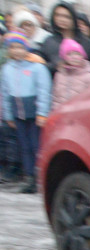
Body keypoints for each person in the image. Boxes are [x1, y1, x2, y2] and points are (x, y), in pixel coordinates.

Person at [1, 29, 51, 194]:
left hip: (34, 112)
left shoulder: (36, 67)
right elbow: (5, 93)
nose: (16, 51)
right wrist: (8, 115)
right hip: (18, 113)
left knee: (37, 145)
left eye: (20, 47)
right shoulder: (7, 69)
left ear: (26, 48)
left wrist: (42, 112)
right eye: (13, 47)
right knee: (24, 146)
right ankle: (29, 177)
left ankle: (41, 176)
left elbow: (44, 90)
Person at [40, 2, 90, 75]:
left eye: (66, 16)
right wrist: (55, 66)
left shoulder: (87, 43)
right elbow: (42, 65)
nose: (62, 19)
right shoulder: (49, 41)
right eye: (58, 15)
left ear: (73, 19)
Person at [51, 39, 90, 110]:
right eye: (69, 54)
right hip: (62, 114)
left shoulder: (89, 76)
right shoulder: (59, 75)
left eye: (77, 54)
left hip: (81, 114)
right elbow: (55, 97)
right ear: (64, 57)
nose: (74, 57)